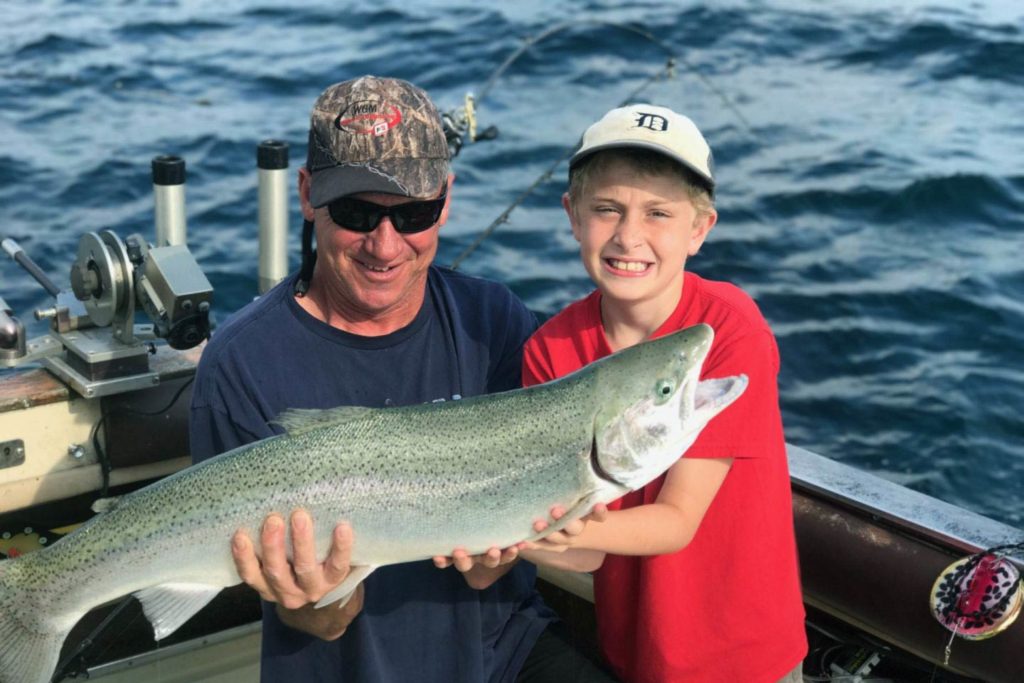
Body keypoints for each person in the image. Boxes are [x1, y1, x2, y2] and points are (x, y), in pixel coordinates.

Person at [189, 76, 613, 683]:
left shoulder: (493, 321)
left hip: (503, 651)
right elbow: (323, 624)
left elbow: (501, 561)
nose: (385, 246)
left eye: (414, 213)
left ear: (447, 197)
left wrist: (499, 553)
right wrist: (318, 596)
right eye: (357, 211)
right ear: (308, 195)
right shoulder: (241, 363)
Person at [517, 104, 808, 682]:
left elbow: (676, 521)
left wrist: (511, 525)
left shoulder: (727, 330)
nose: (629, 236)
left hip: (752, 661)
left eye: (658, 214)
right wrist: (488, 538)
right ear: (572, 216)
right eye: (606, 209)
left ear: (699, 229)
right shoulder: (549, 349)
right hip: (635, 653)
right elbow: (582, 554)